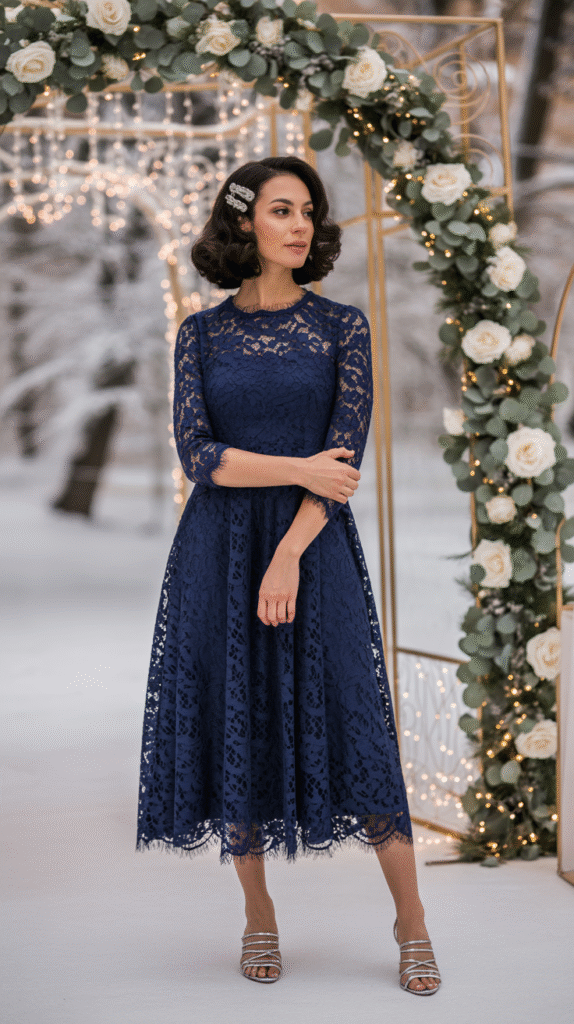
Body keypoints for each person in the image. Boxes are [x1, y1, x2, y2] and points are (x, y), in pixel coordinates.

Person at [136, 155, 441, 994]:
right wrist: (299, 468)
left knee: (359, 725)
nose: (301, 225)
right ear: (244, 224)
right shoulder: (198, 335)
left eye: (308, 210)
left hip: (313, 549)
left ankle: (411, 919)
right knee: (237, 717)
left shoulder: (342, 326)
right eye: (281, 210)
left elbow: (341, 467)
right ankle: (258, 914)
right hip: (214, 555)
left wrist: (290, 544)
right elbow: (201, 458)